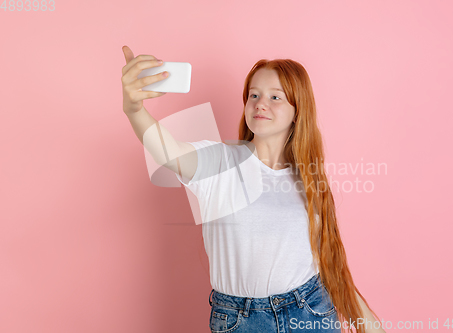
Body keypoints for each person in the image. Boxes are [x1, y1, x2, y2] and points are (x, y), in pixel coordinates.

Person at [121, 45, 386, 333]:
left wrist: (371, 326)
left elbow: (331, 268)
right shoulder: (220, 161)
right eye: (254, 95)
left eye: (275, 97)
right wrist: (134, 108)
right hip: (239, 320)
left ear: (298, 112)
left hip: (310, 312)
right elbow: (168, 152)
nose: (261, 103)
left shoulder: (309, 180)